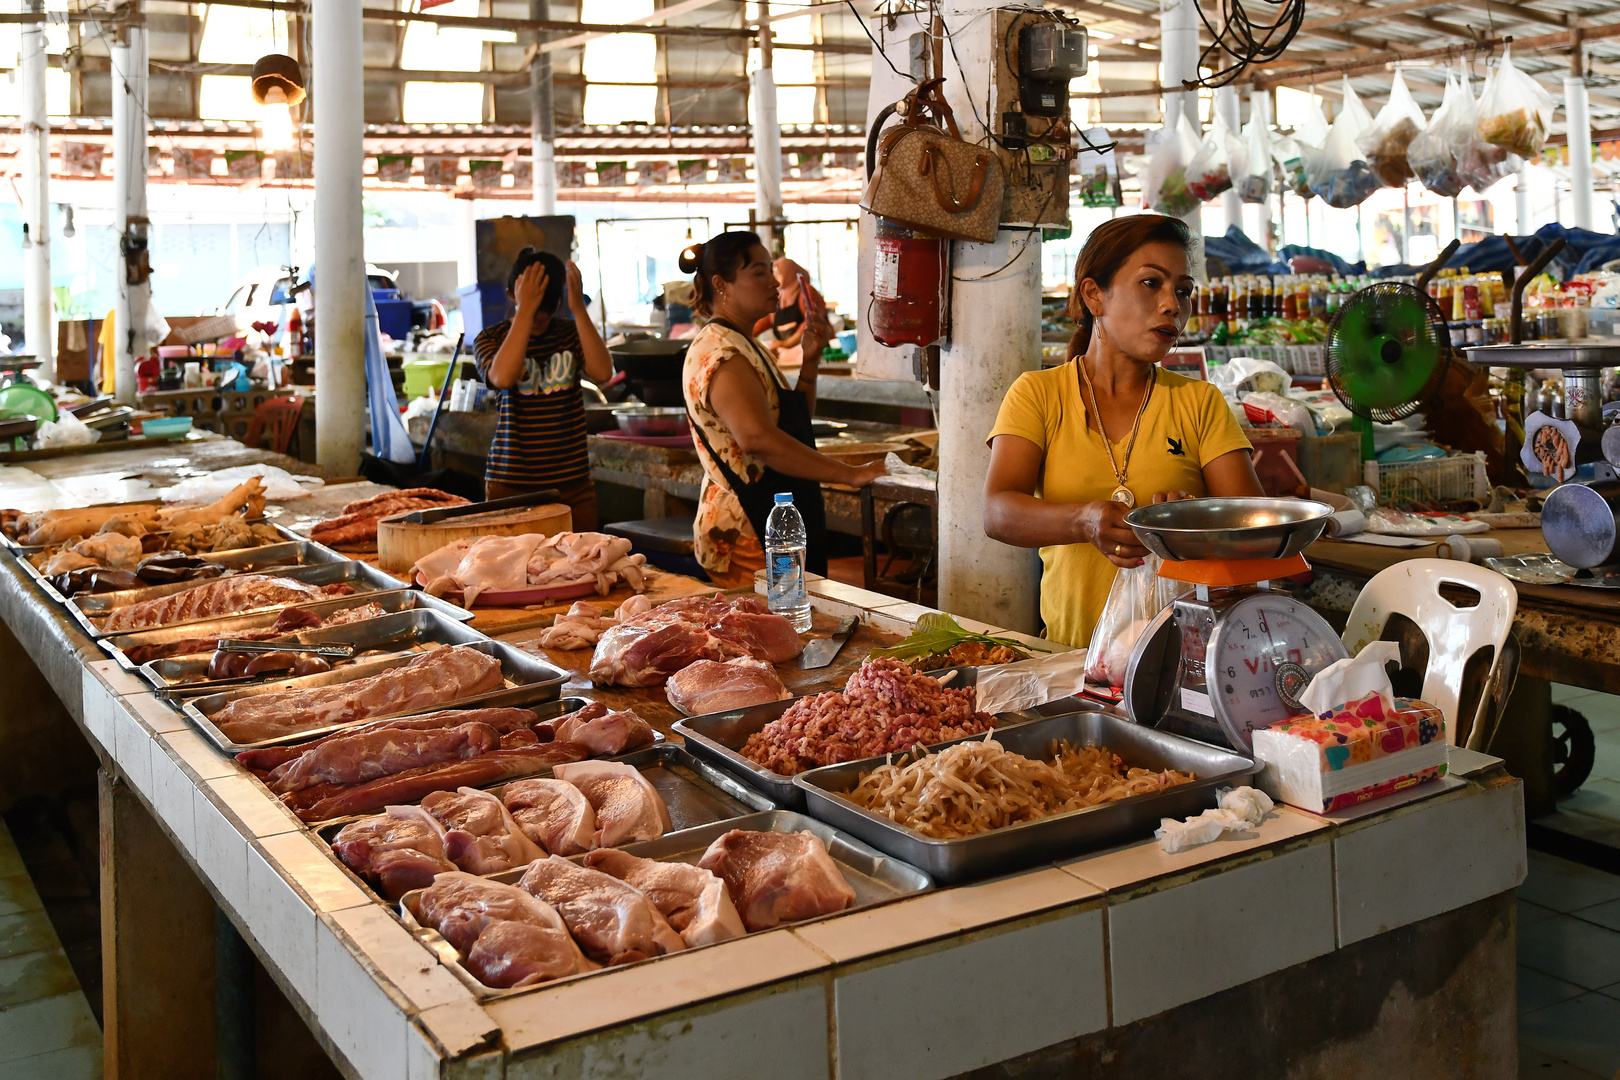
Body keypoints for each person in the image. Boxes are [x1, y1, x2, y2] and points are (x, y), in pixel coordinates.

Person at [983, 214, 1263, 648]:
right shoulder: (1038, 394)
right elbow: (998, 513)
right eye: (1151, 283)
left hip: (1185, 657)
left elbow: (1253, 530)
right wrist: (1084, 520)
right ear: (1095, 296)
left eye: (1183, 290)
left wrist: (1191, 525)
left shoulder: (1200, 403)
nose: (1172, 304)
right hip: (1071, 656)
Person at [679, 232, 886, 588]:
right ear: (721, 283)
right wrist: (850, 474)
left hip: (775, 520)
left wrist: (811, 361)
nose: (774, 282)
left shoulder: (746, 344)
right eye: (759, 273)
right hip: (748, 531)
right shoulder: (722, 354)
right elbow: (759, 440)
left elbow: (790, 424)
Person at [474, 247, 613, 529]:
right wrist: (525, 311)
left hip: (572, 485)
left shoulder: (570, 334)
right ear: (511, 294)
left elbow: (603, 372)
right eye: (534, 309)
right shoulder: (491, 338)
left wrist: (578, 310)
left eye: (546, 310)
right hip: (511, 484)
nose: (539, 318)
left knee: (582, 566)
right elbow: (502, 377)